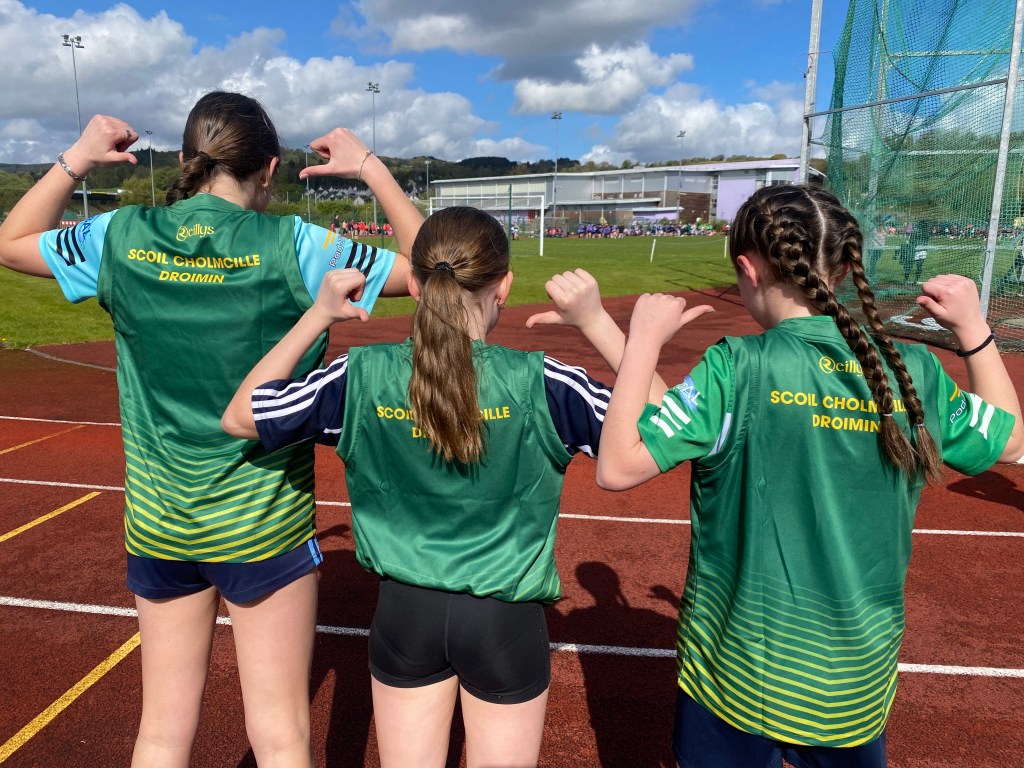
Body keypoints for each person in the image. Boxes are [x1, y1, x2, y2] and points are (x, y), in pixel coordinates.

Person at [0, 91, 423, 768]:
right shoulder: (297, 245)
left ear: (187, 159)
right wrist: (369, 167)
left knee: (161, 732)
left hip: (160, 523)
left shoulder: (120, 235)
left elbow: (9, 244)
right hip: (263, 525)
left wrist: (76, 159)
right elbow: (436, 271)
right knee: (280, 735)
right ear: (270, 169)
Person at [222, 206, 666, 767]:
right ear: (504, 286)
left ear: (414, 286)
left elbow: (241, 415)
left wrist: (318, 316)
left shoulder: (360, 374)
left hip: (403, 615)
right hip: (507, 620)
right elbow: (668, 425)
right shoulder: (543, 382)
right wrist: (597, 322)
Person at [596, 185, 1022, 768]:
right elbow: (1011, 441)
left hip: (734, 674)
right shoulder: (913, 369)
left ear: (747, 269)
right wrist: (973, 330)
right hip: (853, 680)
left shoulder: (737, 366)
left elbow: (617, 467)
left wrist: (643, 339)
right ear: (844, 268)